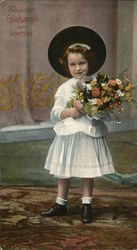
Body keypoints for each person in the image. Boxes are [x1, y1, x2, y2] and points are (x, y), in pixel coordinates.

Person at [41, 26, 115, 223]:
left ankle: (86, 204)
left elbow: (106, 114)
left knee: (86, 170)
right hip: (70, 134)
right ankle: (60, 203)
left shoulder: (97, 87)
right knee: (64, 170)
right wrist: (70, 112)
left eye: (82, 63)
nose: (78, 68)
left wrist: (92, 109)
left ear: (89, 62)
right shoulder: (64, 88)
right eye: (73, 64)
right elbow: (55, 114)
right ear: (67, 65)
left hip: (89, 133)